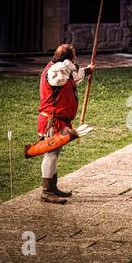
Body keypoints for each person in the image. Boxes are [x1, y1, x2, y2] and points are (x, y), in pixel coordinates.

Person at [37, 44, 95, 204]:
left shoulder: (62, 72)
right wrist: (72, 63)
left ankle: (52, 187)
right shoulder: (55, 71)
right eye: (73, 57)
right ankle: (46, 192)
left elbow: (73, 75)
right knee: (51, 154)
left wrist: (88, 70)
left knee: (55, 154)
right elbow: (66, 70)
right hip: (51, 121)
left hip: (59, 120)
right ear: (69, 58)